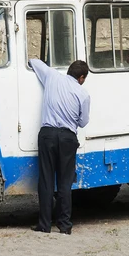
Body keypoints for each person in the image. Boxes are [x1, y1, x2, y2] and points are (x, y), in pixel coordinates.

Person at [29, 58, 91, 235]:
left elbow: (34, 61)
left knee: (46, 180)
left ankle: (44, 224)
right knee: (64, 183)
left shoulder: (52, 76)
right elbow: (83, 122)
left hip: (47, 134)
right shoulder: (83, 94)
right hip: (67, 138)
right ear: (81, 77)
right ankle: (64, 225)